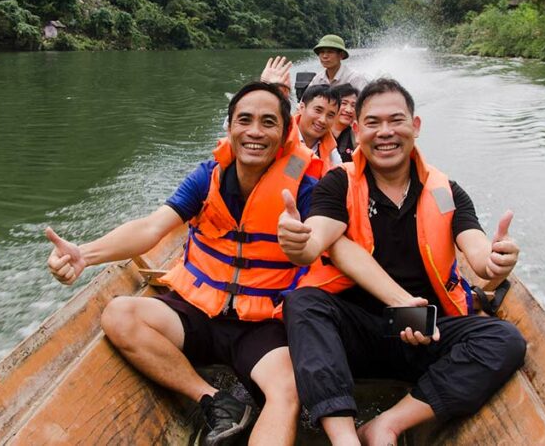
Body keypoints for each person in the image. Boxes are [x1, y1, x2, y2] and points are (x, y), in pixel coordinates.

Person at [46, 81, 323, 446]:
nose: (255, 131)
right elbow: (152, 227)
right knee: (119, 315)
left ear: (286, 132)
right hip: (198, 312)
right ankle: (214, 399)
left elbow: (324, 243)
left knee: (286, 391)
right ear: (229, 128)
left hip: (262, 324)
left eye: (268, 122)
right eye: (245, 120)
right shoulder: (206, 177)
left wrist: (304, 241)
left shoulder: (304, 189)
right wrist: (86, 254)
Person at [277, 78, 526, 445]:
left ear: (416, 126)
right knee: (303, 303)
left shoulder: (445, 192)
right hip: (352, 335)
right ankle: (345, 438)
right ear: (358, 130)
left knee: (505, 340)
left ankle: (387, 425)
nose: (386, 132)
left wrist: (494, 261)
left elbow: (475, 250)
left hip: (426, 331)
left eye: (396, 120)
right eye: (373, 123)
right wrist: (296, 242)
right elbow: (314, 240)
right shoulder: (338, 183)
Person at [295, 84, 342, 175]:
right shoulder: (282, 137)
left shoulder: (331, 150)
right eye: (318, 110)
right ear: (302, 108)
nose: (322, 120)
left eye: (330, 115)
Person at [330, 83, 358, 163]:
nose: (349, 110)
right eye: (344, 103)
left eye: (353, 105)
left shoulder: (356, 137)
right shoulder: (320, 132)